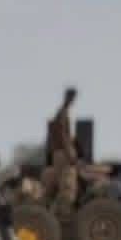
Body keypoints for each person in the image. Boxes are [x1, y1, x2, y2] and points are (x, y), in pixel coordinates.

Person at [42, 87, 80, 220]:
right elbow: (63, 135)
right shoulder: (63, 113)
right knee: (68, 186)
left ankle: (52, 214)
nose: (72, 100)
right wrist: (71, 153)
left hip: (59, 153)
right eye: (72, 97)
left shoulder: (62, 112)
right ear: (68, 97)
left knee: (56, 185)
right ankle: (63, 216)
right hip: (63, 153)